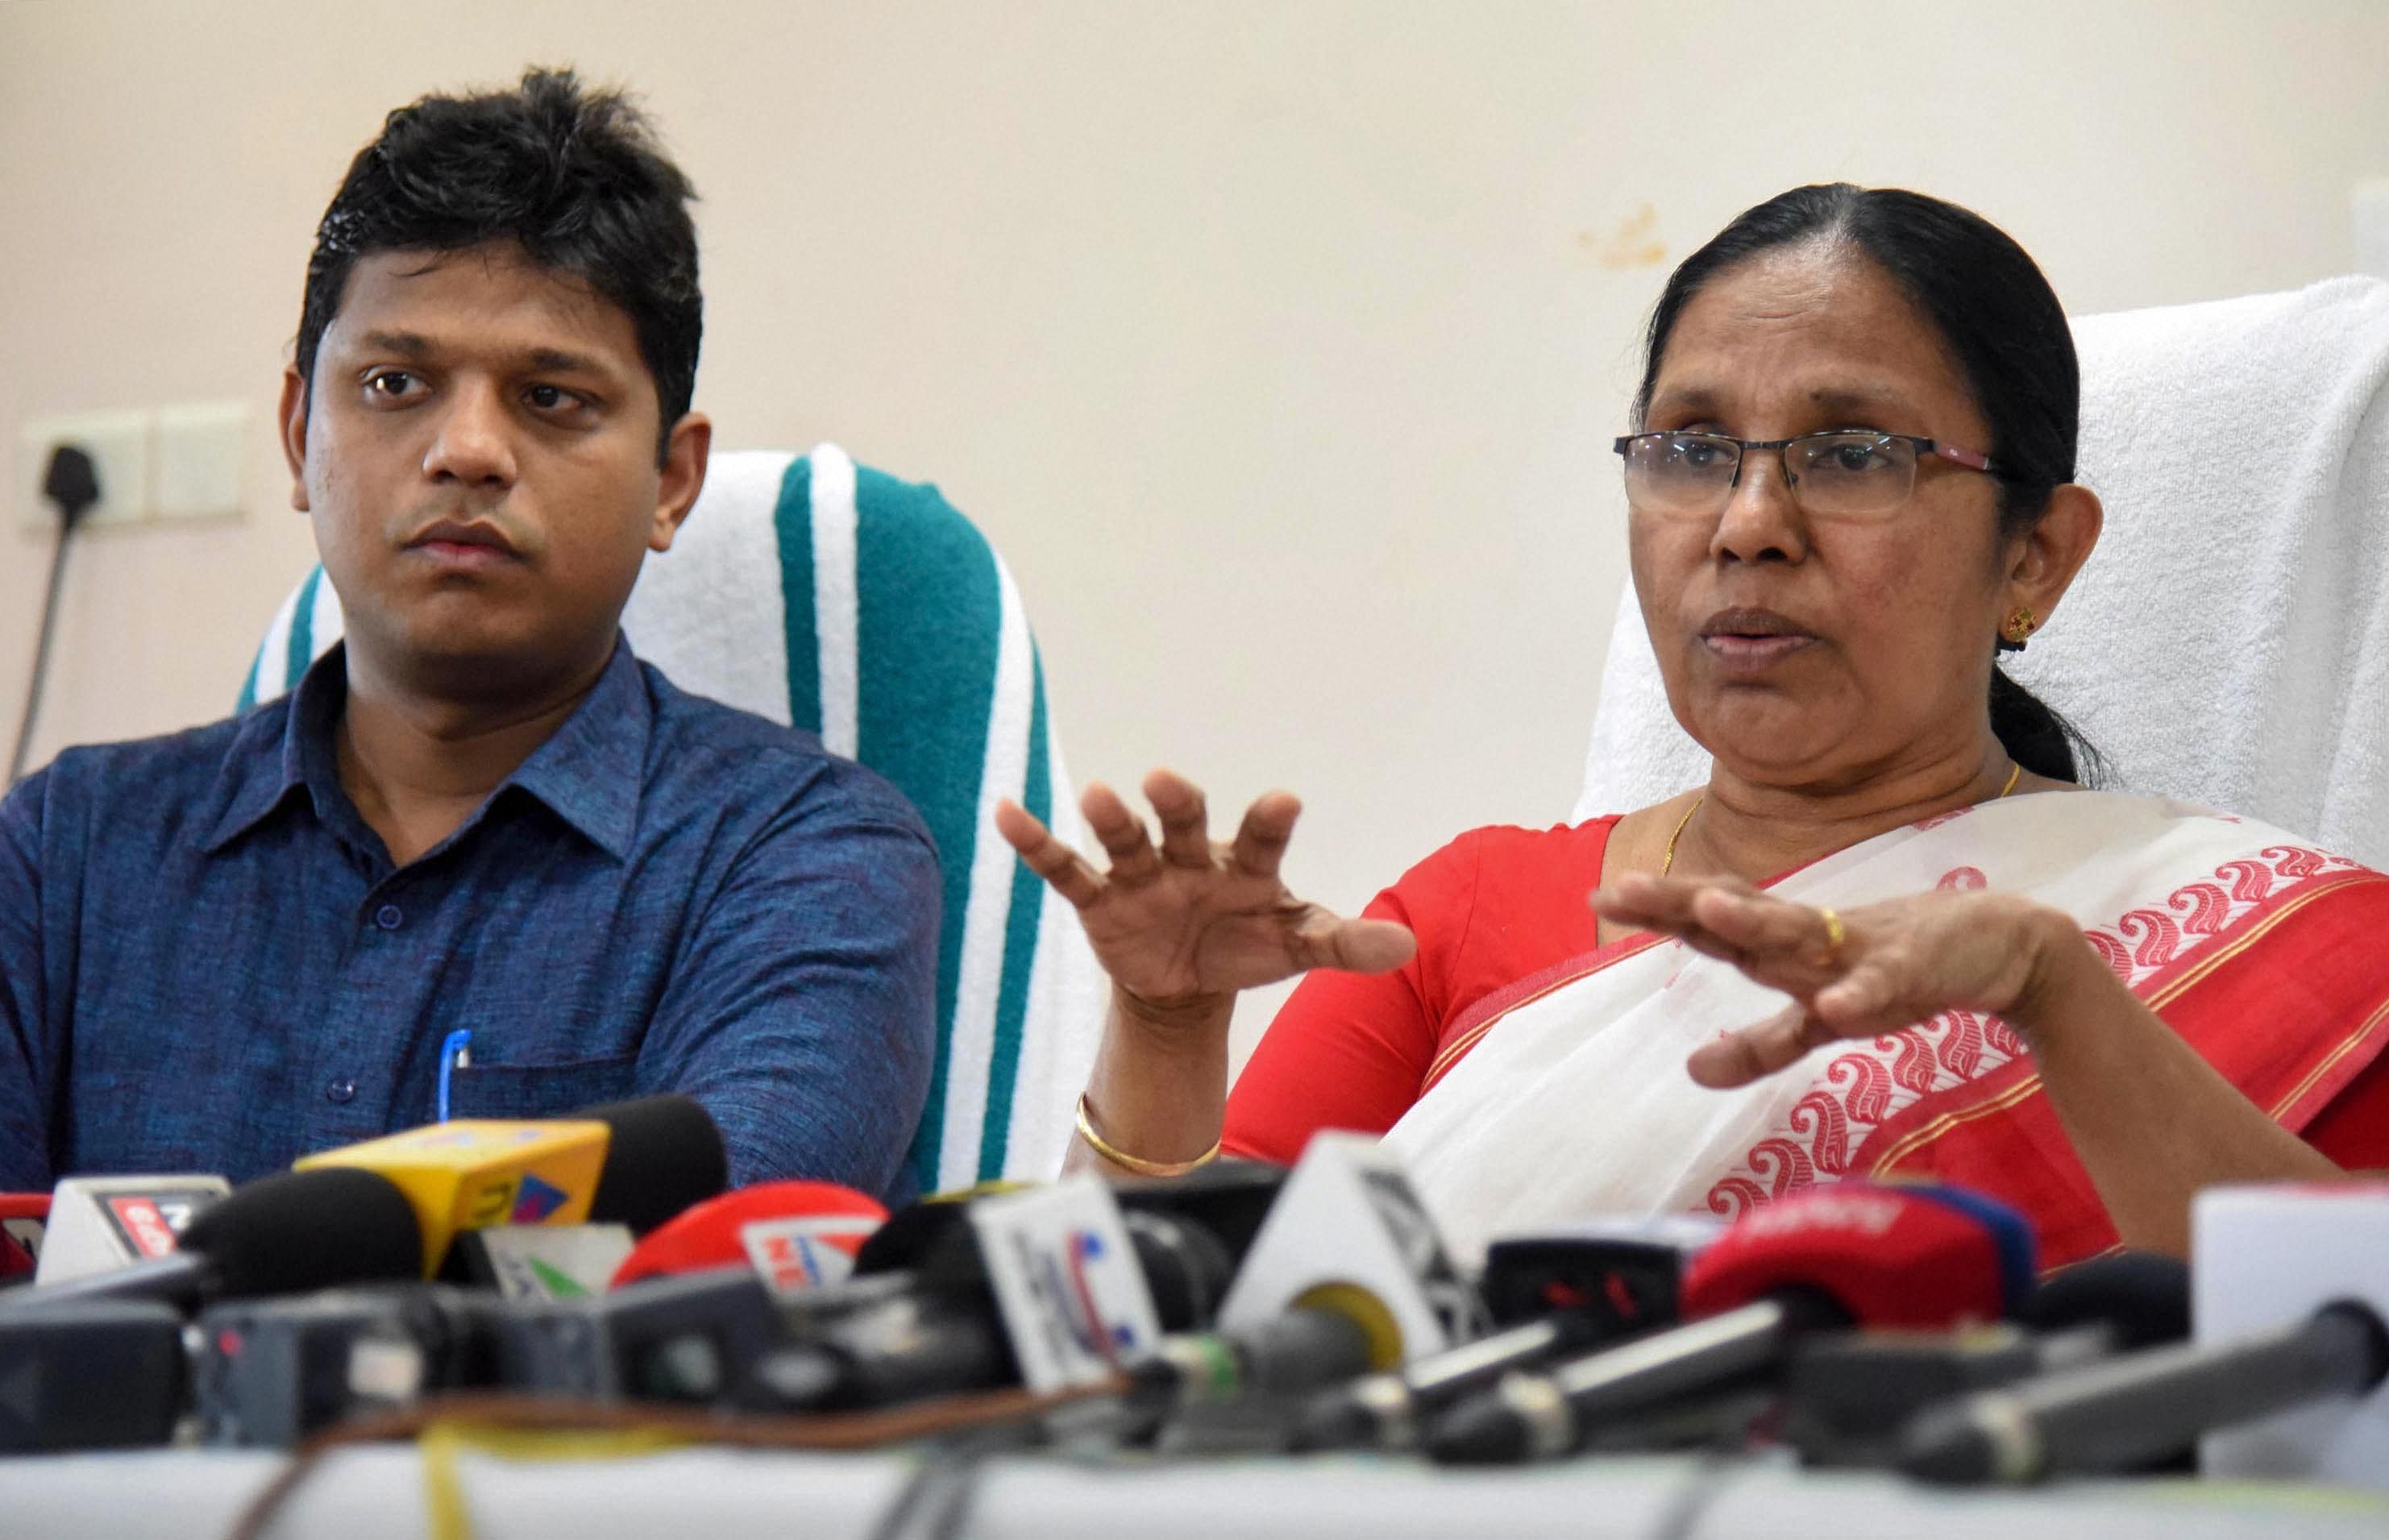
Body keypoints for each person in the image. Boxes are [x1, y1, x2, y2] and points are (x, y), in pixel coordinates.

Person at [997, 184, 2389, 1265]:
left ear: (2036, 556)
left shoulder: (2260, 941)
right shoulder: (1472, 909)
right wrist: (1169, 1036)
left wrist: (2054, 996)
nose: (1747, 527)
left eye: (1853, 455)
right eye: (1690, 450)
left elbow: (2346, 1381)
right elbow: (1165, 1381)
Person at [0, 70, 941, 1198]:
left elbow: (722, 1264)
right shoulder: (68, 853)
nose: (467, 451)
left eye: (551, 398)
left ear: (671, 481)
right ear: (301, 435)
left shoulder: (801, 860)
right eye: (396, 382)